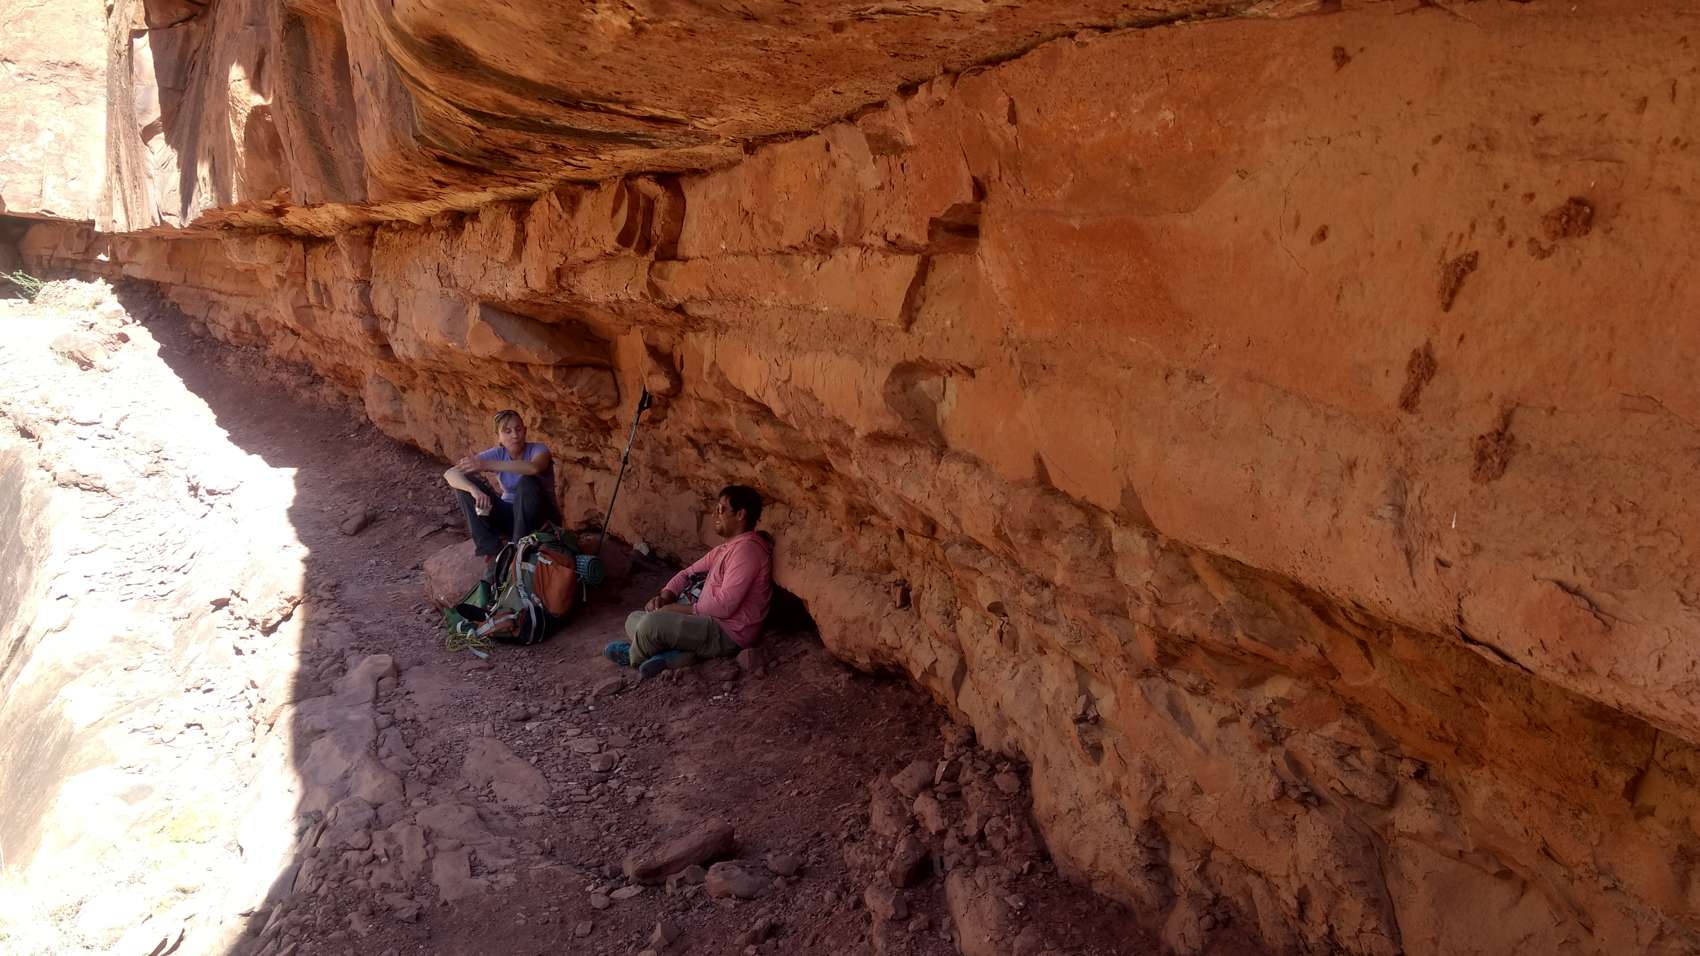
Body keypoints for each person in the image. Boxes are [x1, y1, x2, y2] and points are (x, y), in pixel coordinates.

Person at [605, 485, 773, 679]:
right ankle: (678, 655)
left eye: (721, 509)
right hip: (707, 621)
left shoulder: (747, 550)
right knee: (634, 618)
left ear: (741, 514)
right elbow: (687, 573)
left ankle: (632, 655)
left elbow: (725, 607)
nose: (715, 515)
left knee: (650, 624)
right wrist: (666, 596)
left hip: (728, 632)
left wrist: (676, 609)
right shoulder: (726, 549)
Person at [443, 409, 558, 562]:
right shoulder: (498, 453)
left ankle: (517, 549)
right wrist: (474, 491)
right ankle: (491, 550)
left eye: (518, 429)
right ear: (498, 436)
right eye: (507, 431)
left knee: (527, 481)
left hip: (540, 516)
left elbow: (533, 468)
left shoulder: (538, 449)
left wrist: (486, 464)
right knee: (464, 488)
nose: (515, 435)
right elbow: (450, 473)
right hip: (510, 516)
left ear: (525, 430)